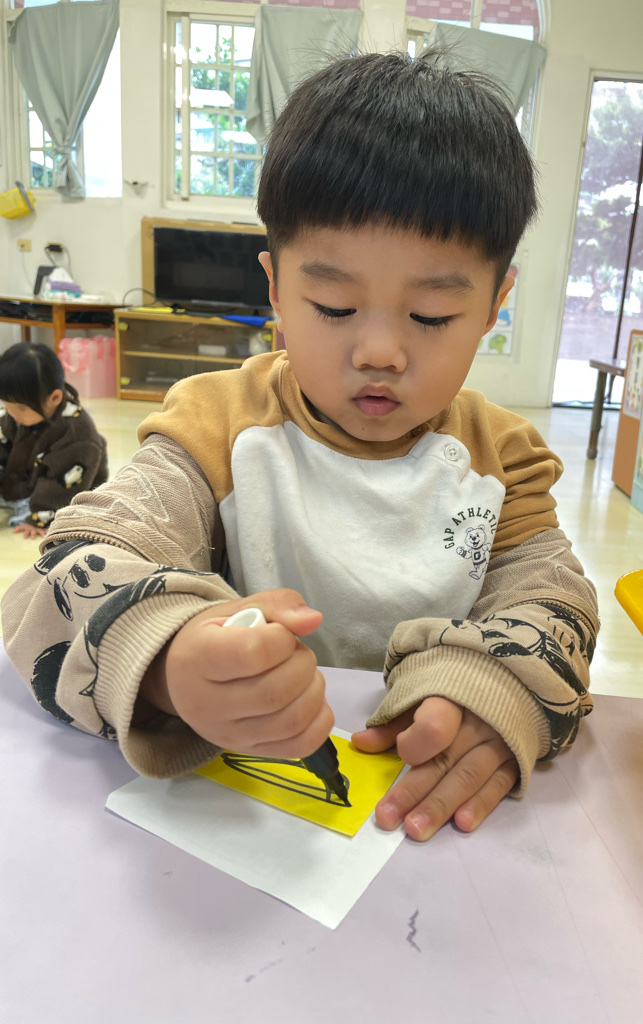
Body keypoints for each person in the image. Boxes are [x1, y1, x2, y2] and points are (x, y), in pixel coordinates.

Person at [2, 51, 598, 842]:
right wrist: (169, 660)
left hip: (423, 824)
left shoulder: (505, 460)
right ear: (276, 290)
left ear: (495, 303)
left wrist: (495, 689)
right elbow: (60, 580)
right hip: (236, 817)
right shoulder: (214, 428)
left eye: (430, 316)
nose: (380, 351)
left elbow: (554, 602)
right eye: (334, 305)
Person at [0, 341, 108, 540]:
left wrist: (40, 516)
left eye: (21, 408)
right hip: (27, 481)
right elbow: (7, 447)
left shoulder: (77, 434)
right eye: (7, 406)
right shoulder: (23, 415)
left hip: (61, 493)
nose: (13, 414)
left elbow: (63, 483)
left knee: (28, 515)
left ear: (55, 398)